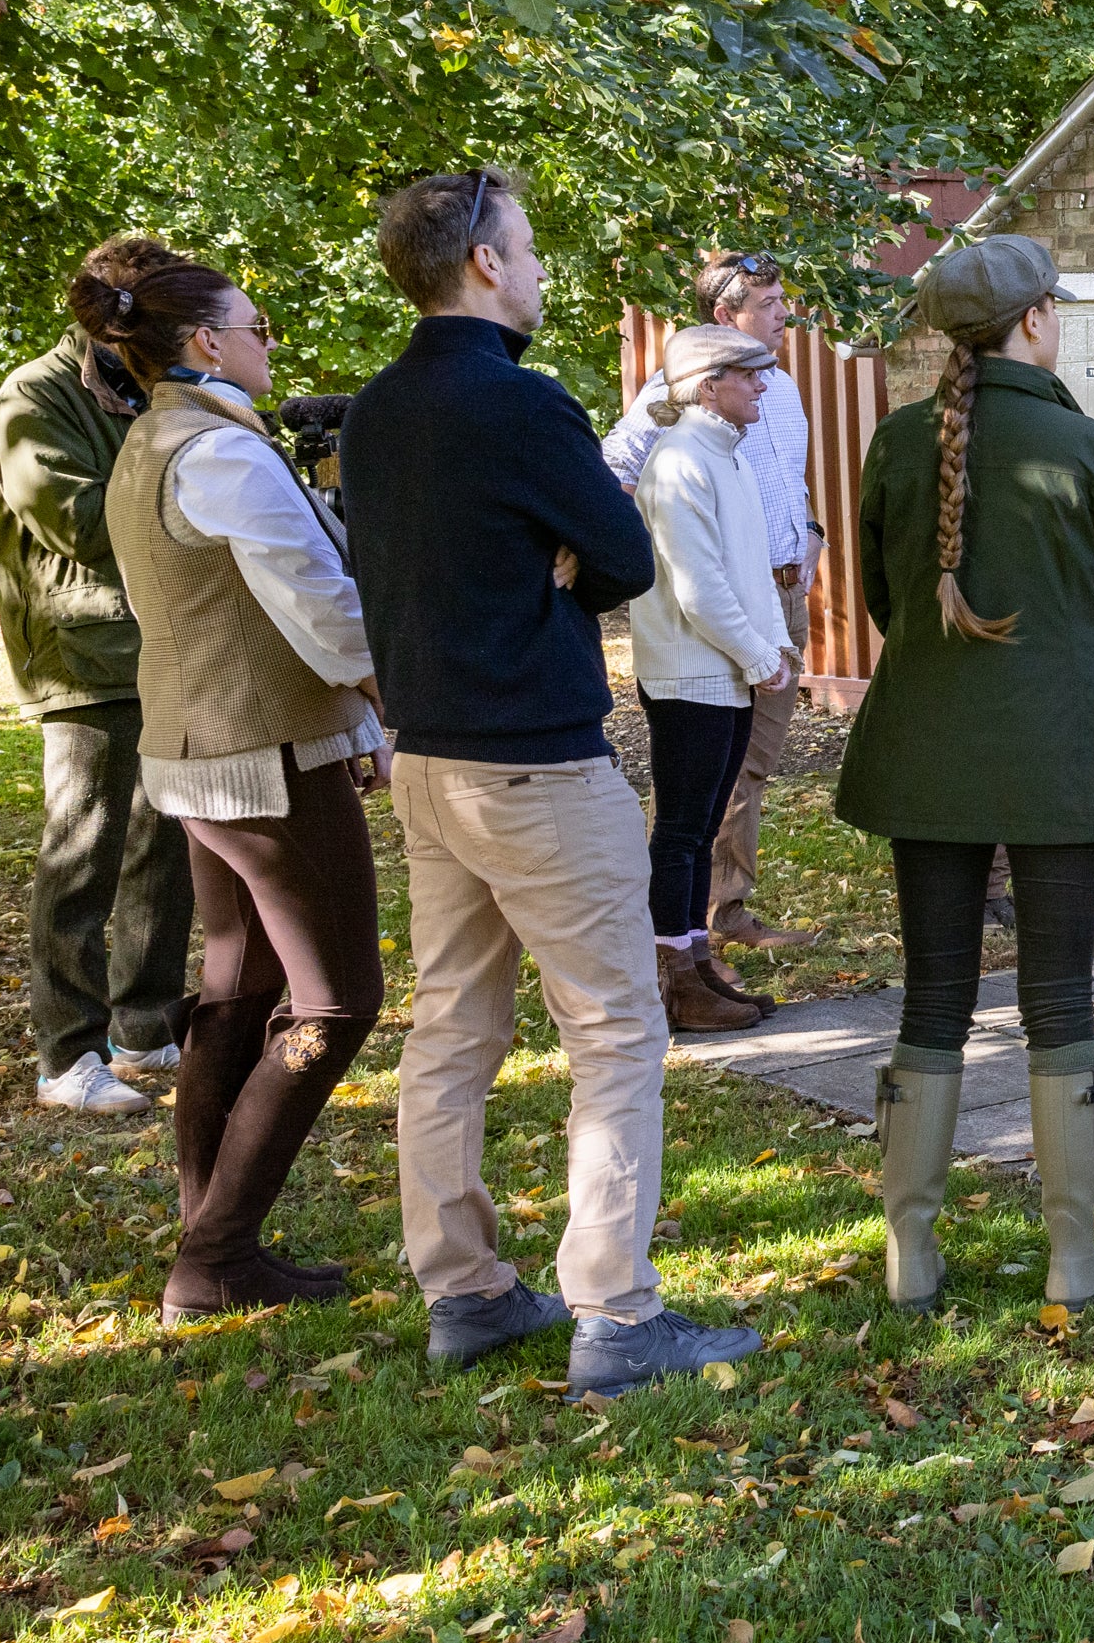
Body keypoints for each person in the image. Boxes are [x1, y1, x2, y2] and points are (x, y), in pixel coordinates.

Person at [350, 168, 760, 1393]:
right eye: (524, 249)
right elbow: (625, 556)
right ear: (482, 262)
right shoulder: (525, 407)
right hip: (534, 759)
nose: (536, 270)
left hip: (426, 757)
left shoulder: (371, 412)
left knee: (452, 1029)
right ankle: (619, 1316)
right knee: (617, 1028)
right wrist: (565, 571)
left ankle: (463, 1287)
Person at [833, 236, 1094, 1312]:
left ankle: (909, 1254)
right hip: (1061, 748)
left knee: (934, 994)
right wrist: (1062, 673)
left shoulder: (895, 443)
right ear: (1033, 322)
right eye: (1053, 307)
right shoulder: (1091, 443)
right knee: (1059, 993)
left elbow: (886, 598)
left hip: (928, 748)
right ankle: (1073, 1254)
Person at [88, 258, 390, 1316]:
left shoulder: (151, 438)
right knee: (339, 997)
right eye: (255, 327)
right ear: (206, 343)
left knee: (242, 987)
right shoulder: (222, 451)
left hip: (194, 753)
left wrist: (348, 714)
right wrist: (384, 696)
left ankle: (209, 1235)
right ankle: (214, 1251)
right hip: (260, 758)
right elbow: (314, 598)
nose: (270, 343)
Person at [0, 234, 198, 1117]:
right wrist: (198, 483)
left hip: (164, 643)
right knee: (84, 852)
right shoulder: (33, 396)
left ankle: (144, 1026)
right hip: (84, 653)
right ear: (113, 316)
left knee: (169, 843)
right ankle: (67, 1055)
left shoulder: (152, 390)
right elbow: (75, 520)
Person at [603, 251, 819, 955]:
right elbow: (615, 473)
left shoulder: (775, 392)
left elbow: (789, 482)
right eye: (769, 302)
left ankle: (719, 915)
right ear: (726, 317)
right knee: (698, 796)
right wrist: (645, 551)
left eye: (784, 299)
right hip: (715, 624)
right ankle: (689, 934)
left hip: (782, 595)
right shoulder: (677, 404)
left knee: (750, 765)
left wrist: (810, 531)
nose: (784, 313)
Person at [629, 324, 797, 1035]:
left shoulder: (725, 453)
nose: (763, 384)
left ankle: (697, 968)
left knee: (699, 832)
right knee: (681, 832)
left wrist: (776, 643)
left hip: (724, 672)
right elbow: (699, 589)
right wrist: (761, 659)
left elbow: (747, 573)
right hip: (690, 674)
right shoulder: (678, 462)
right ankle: (671, 982)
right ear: (707, 385)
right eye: (748, 373)